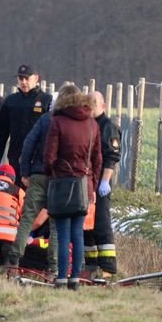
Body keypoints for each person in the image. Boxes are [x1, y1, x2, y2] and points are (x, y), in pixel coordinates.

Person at [44, 84, 101, 290]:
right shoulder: (92, 124)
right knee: (78, 233)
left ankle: (61, 278)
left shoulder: (57, 122)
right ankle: (75, 278)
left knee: (62, 234)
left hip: (61, 183)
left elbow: (49, 157)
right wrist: (92, 183)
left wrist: (52, 173)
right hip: (83, 185)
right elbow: (97, 159)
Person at [7, 108, 57, 272]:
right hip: (60, 178)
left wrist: (25, 172)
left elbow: (29, 144)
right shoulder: (73, 121)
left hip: (38, 175)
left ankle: (14, 260)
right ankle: (53, 267)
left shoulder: (45, 119)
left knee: (27, 218)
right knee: (56, 222)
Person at [84, 91, 122, 277]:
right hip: (88, 180)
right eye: (88, 102)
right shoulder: (87, 124)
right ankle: (91, 264)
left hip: (100, 181)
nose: (90, 106)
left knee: (101, 222)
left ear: (103, 105)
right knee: (88, 222)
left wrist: (105, 181)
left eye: (94, 102)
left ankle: (108, 266)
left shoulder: (108, 127)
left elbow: (111, 157)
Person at [0, 64, 52, 173]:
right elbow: (1, 132)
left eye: (27, 78)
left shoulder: (46, 100)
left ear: (36, 78)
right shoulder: (10, 101)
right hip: (15, 156)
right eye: (20, 78)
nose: (23, 82)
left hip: (37, 159)